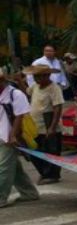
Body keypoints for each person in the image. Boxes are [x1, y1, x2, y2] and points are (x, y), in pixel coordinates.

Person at [0, 68, 40, 208]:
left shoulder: (15, 94)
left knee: (3, 168)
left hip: (9, 136)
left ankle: (1, 198)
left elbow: (19, 116)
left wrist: (12, 135)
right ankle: (29, 193)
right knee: (13, 167)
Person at [24, 65, 64, 185]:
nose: (36, 79)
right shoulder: (35, 86)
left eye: (39, 76)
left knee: (51, 151)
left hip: (48, 123)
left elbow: (58, 107)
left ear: (47, 75)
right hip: (36, 126)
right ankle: (44, 173)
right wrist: (20, 81)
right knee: (37, 152)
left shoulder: (54, 88)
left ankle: (52, 175)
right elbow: (27, 92)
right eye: (35, 76)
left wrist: (52, 127)